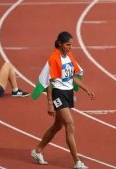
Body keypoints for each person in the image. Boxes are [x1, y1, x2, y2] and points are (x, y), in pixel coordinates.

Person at [31, 32, 94, 169]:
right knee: (70, 125)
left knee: (57, 126)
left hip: (68, 93)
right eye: (68, 44)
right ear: (60, 43)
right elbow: (50, 82)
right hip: (57, 93)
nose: (70, 47)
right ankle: (77, 162)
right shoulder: (54, 58)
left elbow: (72, 77)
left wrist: (86, 88)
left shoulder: (69, 56)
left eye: (71, 45)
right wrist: (49, 103)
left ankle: (37, 150)